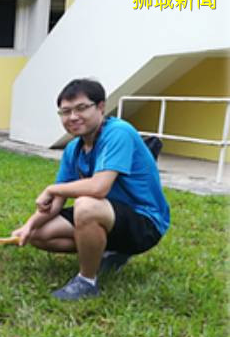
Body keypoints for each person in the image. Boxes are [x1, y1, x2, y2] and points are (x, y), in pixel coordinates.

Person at [11, 78, 170, 300]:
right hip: (108, 215)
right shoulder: (72, 149)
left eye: (81, 108)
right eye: (65, 112)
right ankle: (108, 251)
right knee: (39, 235)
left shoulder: (118, 132)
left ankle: (86, 281)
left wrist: (53, 188)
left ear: (101, 107)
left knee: (85, 205)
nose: (73, 117)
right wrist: (28, 227)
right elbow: (56, 202)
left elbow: (98, 187)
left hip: (144, 222)